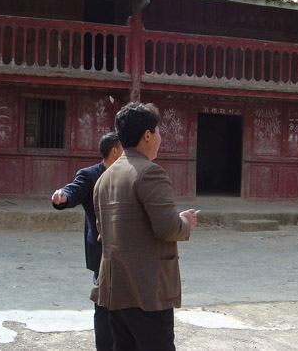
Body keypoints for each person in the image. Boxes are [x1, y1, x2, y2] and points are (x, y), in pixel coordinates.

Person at [91, 102, 198, 351]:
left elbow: (104, 231)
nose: (160, 138)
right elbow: (168, 229)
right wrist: (184, 222)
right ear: (147, 135)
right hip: (147, 289)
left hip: (115, 286)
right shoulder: (150, 172)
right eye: (159, 132)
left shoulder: (105, 177)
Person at [51, 132, 122, 351]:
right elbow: (75, 190)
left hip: (128, 252)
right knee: (104, 305)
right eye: (124, 148)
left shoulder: (129, 174)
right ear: (115, 150)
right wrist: (63, 196)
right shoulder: (90, 175)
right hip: (102, 252)